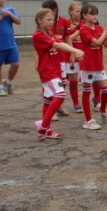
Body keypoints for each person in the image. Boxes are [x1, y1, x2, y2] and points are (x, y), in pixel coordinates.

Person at [32, 8, 84, 140]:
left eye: (52, 20)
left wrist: (72, 52)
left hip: (55, 70)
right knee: (60, 95)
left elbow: (60, 43)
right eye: (48, 19)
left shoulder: (49, 33)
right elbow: (57, 44)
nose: (51, 22)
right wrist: (75, 50)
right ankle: (43, 126)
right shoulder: (38, 35)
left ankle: (45, 130)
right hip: (48, 71)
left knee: (48, 100)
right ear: (39, 20)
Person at [79, 3, 107, 129]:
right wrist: (105, 30)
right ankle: (88, 120)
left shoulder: (98, 28)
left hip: (98, 64)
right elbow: (97, 42)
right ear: (84, 16)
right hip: (87, 64)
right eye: (91, 14)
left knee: (106, 88)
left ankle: (103, 109)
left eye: (95, 14)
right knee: (86, 90)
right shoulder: (83, 29)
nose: (94, 16)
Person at [63, 1, 83, 113]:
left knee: (82, 79)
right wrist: (72, 53)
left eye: (81, 11)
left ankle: (96, 100)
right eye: (77, 11)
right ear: (70, 12)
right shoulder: (67, 24)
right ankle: (75, 103)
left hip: (82, 54)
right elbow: (66, 38)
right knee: (71, 78)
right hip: (71, 54)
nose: (79, 13)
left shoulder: (84, 23)